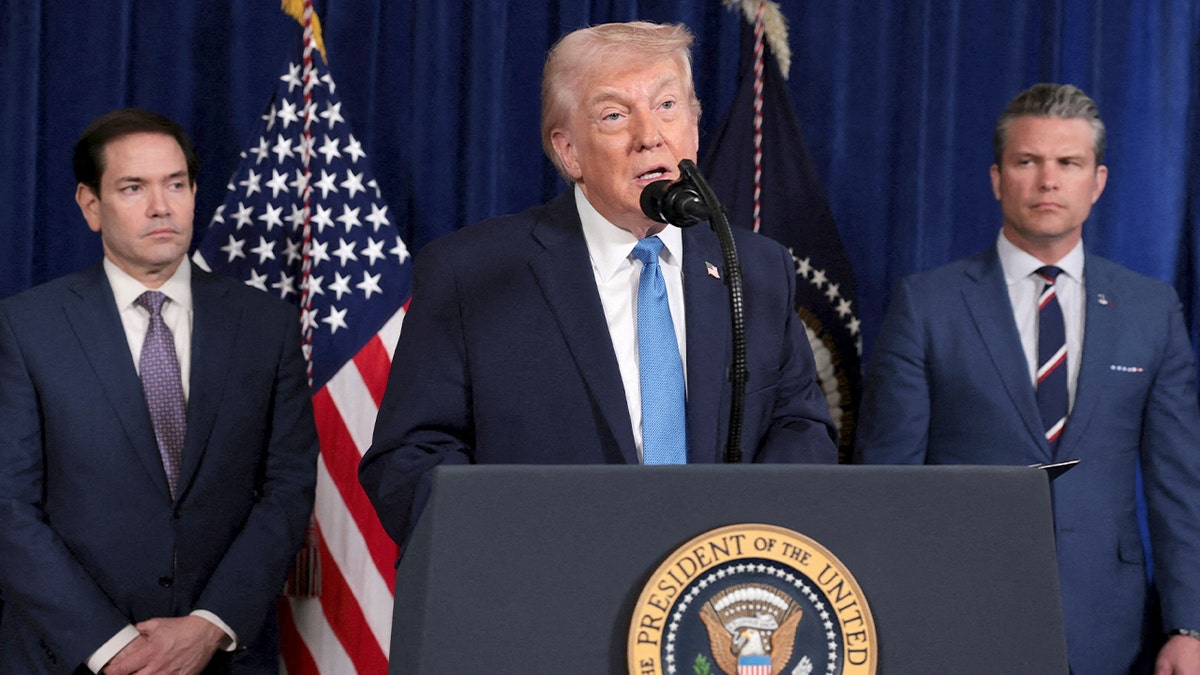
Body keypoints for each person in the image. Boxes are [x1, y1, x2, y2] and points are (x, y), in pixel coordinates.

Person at [360, 21, 837, 545]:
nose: (650, 135)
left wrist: (747, 538)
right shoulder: (470, 275)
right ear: (569, 153)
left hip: (715, 594)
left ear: (695, 127)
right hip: (546, 600)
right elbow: (410, 458)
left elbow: (800, 428)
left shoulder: (756, 268)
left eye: (668, 105)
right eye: (615, 115)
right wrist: (516, 556)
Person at [855, 83, 1200, 674]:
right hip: (956, 613)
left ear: (1098, 182)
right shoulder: (927, 304)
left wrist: (1188, 624)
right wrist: (888, 613)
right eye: (1028, 161)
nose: (1048, 181)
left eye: (1069, 163)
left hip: (1107, 625)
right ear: (997, 179)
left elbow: (1179, 483)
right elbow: (889, 481)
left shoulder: (1152, 309)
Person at [0, 109, 319, 674]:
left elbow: (287, 489)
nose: (160, 206)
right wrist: (111, 646)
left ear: (195, 192)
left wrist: (208, 626)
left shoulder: (265, 326)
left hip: (221, 656)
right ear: (90, 205)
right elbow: (9, 508)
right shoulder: (25, 329)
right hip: (69, 657)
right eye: (133, 187)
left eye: (176, 184)